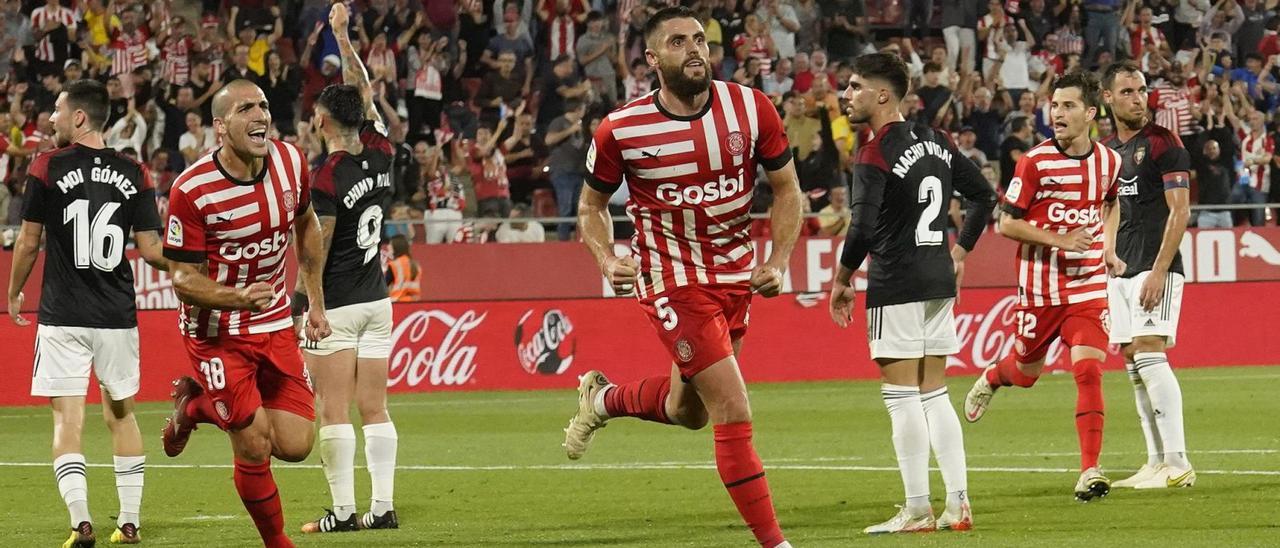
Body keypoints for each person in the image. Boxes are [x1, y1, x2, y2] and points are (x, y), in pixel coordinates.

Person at [563, 7, 800, 548]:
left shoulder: (750, 107)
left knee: (685, 411)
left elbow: (788, 190)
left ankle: (601, 401)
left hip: (735, 277)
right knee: (732, 407)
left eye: (699, 39)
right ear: (652, 59)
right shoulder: (622, 128)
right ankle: (775, 543)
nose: (695, 49)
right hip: (671, 280)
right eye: (678, 42)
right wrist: (606, 258)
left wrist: (779, 259)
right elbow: (590, 207)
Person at [159, 79, 332, 548]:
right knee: (253, 440)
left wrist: (314, 301)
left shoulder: (292, 162)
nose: (260, 116)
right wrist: (238, 298)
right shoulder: (191, 190)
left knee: (296, 445)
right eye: (245, 109)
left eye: (264, 106)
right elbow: (182, 279)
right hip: (216, 332)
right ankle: (277, 542)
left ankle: (194, 405)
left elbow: (307, 225)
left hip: (274, 320)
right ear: (220, 127)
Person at [828, 52, 996, 534]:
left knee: (901, 397)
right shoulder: (938, 141)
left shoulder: (875, 150)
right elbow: (985, 196)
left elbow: (860, 226)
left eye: (856, 86)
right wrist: (960, 253)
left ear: (883, 95)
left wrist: (842, 279)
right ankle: (958, 504)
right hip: (937, 279)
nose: (847, 95)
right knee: (935, 393)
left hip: (897, 280)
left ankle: (918, 508)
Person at [6, 79, 168, 547]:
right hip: (116, 315)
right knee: (122, 417)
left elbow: (29, 240)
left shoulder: (45, 166)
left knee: (67, 422)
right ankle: (131, 522)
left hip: (62, 315)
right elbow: (152, 250)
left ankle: (81, 524)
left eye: (57, 110)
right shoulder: (135, 171)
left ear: (79, 117)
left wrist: (15, 291)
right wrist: (194, 266)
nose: (51, 118)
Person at [963, 71, 1124, 502]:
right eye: (1054, 105)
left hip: (1087, 285)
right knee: (1026, 373)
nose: (1057, 113)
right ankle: (995, 377)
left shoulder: (1110, 162)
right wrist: (1060, 239)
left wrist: (1107, 248)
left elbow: (1110, 203)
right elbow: (1007, 222)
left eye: (1068, 106)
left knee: (1089, 370)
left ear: (1090, 113)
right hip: (1040, 290)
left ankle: (1089, 469)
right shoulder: (1034, 162)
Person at [295, 3, 400, 534]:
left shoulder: (326, 178)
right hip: (378, 302)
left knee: (334, 412)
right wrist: (342, 35)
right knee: (374, 408)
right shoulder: (382, 152)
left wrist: (309, 307)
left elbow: (317, 250)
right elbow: (364, 90)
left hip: (335, 307)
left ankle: (341, 514)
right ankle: (382, 509)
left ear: (323, 120)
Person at [1100, 61, 1196, 490]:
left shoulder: (1163, 143)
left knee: (1149, 350)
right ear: (1107, 98)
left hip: (1155, 267)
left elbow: (1181, 210)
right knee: (1132, 360)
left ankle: (1178, 462)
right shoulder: (1106, 153)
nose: (1137, 99)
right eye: (1127, 92)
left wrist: (1159, 270)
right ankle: (1155, 461)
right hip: (1121, 269)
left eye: (1140, 91)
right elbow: (1107, 212)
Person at [386, 234, 421, 302]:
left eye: (390, 244)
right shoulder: (416, 265)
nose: (388, 247)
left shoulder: (394, 265)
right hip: (414, 302)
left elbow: (384, 286)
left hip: (397, 301)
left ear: (396, 247)